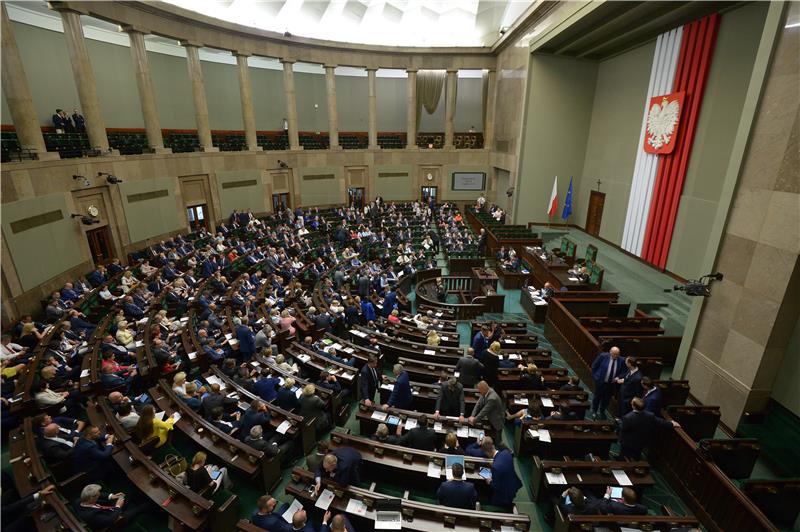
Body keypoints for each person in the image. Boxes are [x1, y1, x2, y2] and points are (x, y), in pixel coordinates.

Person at [74, 484, 147, 529]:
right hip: (115, 519)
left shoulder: (80, 500)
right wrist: (118, 506)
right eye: (97, 495)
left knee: (127, 494)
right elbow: (109, 520)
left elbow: (99, 494)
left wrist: (112, 496)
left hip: (109, 509)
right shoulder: (91, 515)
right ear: (91, 498)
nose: (99, 495)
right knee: (141, 507)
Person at [482, 436, 522, 510]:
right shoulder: (506, 453)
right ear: (493, 446)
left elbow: (496, 486)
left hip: (504, 493)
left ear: (487, 452)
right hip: (513, 484)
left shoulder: (495, 467)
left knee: (495, 504)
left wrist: (489, 481)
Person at [590, 346, 625, 419]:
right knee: (597, 397)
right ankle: (594, 410)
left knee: (606, 399)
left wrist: (618, 377)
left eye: (617, 354)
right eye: (614, 354)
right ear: (610, 352)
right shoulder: (603, 356)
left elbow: (624, 372)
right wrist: (595, 377)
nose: (616, 356)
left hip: (611, 384)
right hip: (601, 382)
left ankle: (602, 411)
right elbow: (594, 366)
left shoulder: (621, 360)